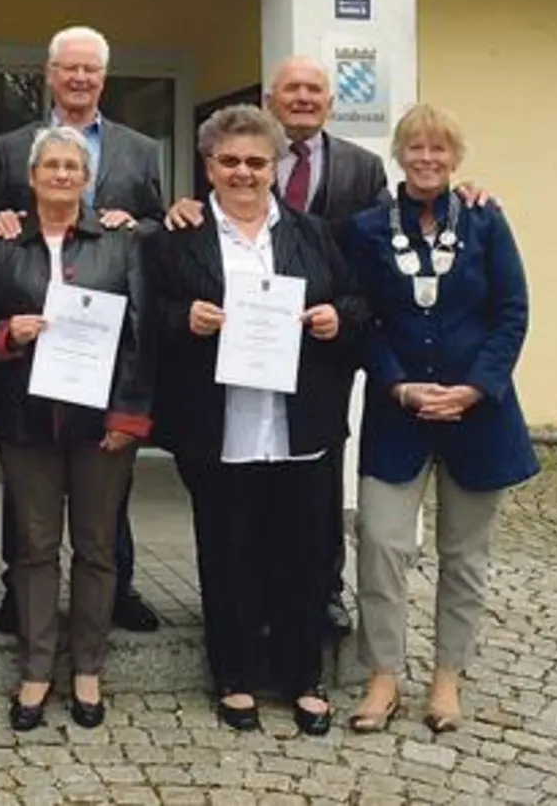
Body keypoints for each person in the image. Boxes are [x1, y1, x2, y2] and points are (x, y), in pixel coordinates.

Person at [163, 56, 494, 638]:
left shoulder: (362, 168)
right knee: (239, 495)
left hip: (318, 352)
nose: (303, 98)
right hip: (238, 356)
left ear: (330, 104)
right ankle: (249, 609)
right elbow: (204, 231)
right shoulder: (239, 156)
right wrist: (179, 208)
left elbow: (385, 236)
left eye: (315, 90)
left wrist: (460, 194)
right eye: (291, 89)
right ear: (271, 98)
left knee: (313, 491)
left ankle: (323, 593)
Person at [143, 104, 366, 736]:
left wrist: (335, 320)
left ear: (275, 167)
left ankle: (303, 677)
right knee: (228, 554)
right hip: (220, 425)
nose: (243, 173)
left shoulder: (312, 233)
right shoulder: (176, 238)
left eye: (256, 162)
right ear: (209, 166)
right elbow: (147, 318)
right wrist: (182, 318)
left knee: (301, 556)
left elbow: (354, 301)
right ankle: (234, 676)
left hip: (298, 424)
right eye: (230, 161)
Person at [340, 104, 537, 735]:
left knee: (465, 555)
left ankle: (447, 677)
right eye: (416, 148)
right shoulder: (368, 228)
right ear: (399, 154)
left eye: (440, 150)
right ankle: (383, 676)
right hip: (398, 417)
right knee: (380, 544)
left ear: (456, 157)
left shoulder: (485, 221)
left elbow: (511, 311)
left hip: (478, 419)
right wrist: (397, 385)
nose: (427, 159)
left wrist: (477, 388)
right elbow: (361, 316)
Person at [0, 125, 155, 730]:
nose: (60, 175)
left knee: (98, 549)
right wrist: (5, 334)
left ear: (88, 178)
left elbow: (139, 333)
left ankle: (88, 668)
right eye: (49, 165)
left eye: (72, 167)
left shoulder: (120, 242)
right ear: (31, 176)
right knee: (34, 548)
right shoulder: (2, 242)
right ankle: (36, 667)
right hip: (26, 419)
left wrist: (130, 413)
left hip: (101, 420)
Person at [0, 26, 166, 636]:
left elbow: (156, 231)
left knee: (106, 483)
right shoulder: (12, 147)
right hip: (35, 356)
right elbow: (0, 221)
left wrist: (135, 224)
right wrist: (4, 218)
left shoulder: (140, 149)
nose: (80, 79)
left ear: (104, 78)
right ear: (50, 73)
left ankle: (118, 587)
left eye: (90, 70)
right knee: (29, 488)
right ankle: (19, 588)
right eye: (69, 69)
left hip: (102, 354)